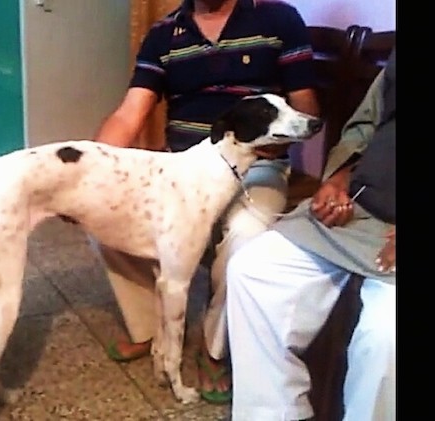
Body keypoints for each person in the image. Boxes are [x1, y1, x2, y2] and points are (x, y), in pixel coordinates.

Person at [93, 0, 319, 403]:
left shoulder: (277, 18)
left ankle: (214, 347)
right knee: (104, 218)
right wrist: (93, 175)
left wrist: (274, 142)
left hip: (258, 164)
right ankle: (150, 330)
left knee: (247, 237)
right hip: (182, 166)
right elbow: (130, 115)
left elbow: (306, 106)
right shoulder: (164, 33)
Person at [226, 48, 396, 420]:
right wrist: (339, 176)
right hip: (364, 206)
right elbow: (365, 127)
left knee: (387, 334)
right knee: (253, 270)